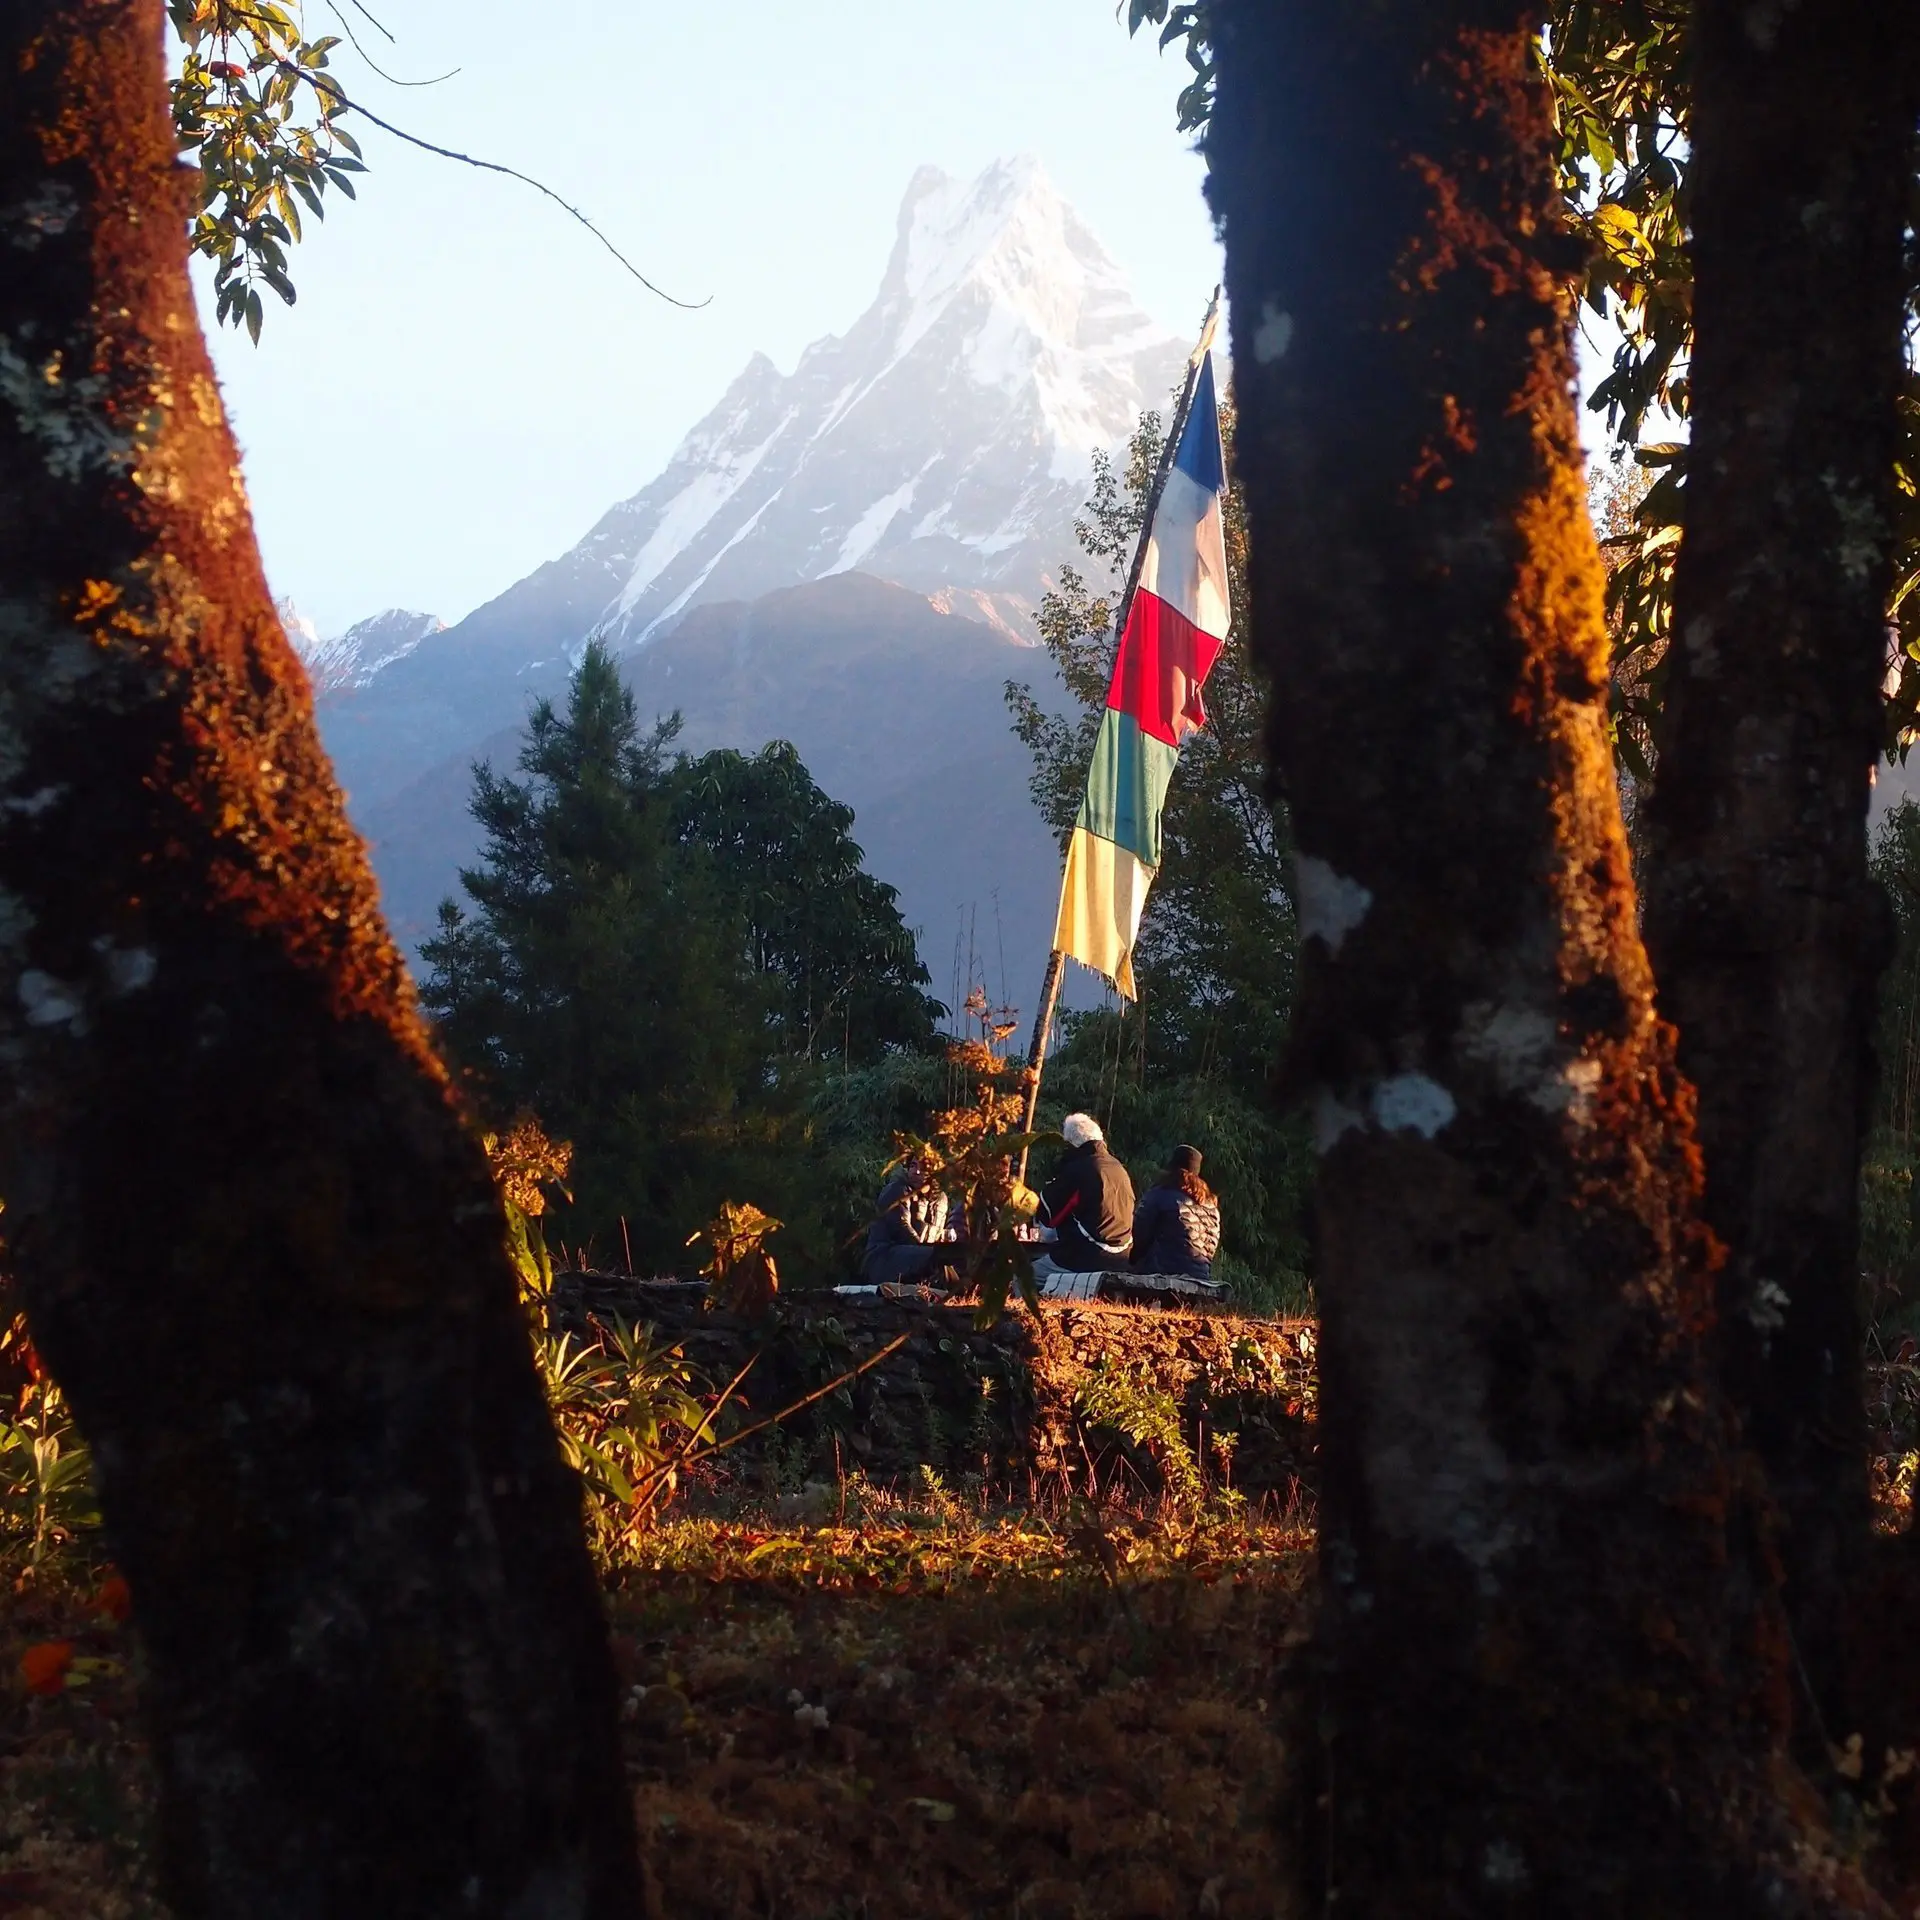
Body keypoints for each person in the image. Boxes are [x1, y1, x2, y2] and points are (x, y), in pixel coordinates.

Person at [1037, 1113, 1135, 1273]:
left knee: (1024, 1277)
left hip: (1087, 1257)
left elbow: (1047, 1216)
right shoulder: (1119, 1168)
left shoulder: (1078, 1169)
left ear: (1070, 1143)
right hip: (1124, 1257)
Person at [1131, 1144, 1222, 1283]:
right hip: (1201, 1277)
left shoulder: (1160, 1194)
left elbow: (1138, 1235)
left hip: (1163, 1272)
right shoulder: (1211, 1206)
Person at [862, 1154, 951, 1286]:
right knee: (936, 1257)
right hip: (884, 1255)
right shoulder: (897, 1190)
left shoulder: (939, 1200)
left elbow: (936, 1234)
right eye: (913, 1166)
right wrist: (931, 1254)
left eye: (923, 1167)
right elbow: (901, 1229)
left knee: (951, 1258)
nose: (917, 1171)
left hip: (915, 1256)